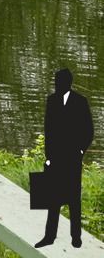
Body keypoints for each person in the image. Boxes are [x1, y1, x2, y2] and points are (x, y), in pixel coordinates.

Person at [40, 68, 93, 247]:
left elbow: (89, 131)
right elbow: (48, 131)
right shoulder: (51, 101)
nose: (56, 84)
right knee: (53, 198)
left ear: (67, 83)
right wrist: (48, 157)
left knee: (73, 199)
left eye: (59, 81)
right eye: (55, 81)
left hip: (72, 159)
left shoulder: (80, 102)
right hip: (55, 158)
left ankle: (75, 237)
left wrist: (80, 151)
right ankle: (49, 236)